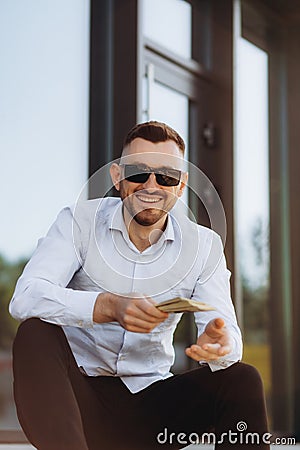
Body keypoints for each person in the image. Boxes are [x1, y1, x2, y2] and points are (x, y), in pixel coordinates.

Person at [10, 121, 269, 450]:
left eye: (166, 176)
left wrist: (219, 346)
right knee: (35, 332)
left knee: (242, 378)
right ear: (118, 177)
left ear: (181, 184)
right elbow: (25, 297)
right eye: (138, 173)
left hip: (153, 410)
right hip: (77, 405)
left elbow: (226, 334)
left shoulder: (204, 246)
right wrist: (105, 307)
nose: (151, 186)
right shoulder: (78, 222)